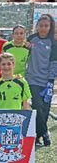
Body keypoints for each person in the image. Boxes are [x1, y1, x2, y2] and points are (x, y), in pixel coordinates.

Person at [26, 14, 56, 146]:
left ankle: (38, 136)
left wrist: (50, 81)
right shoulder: (31, 39)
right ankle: (45, 132)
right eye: (41, 25)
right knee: (37, 106)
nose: (43, 28)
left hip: (46, 81)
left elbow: (54, 64)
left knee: (44, 108)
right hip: (32, 80)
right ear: (37, 26)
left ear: (50, 27)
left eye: (46, 26)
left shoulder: (53, 43)